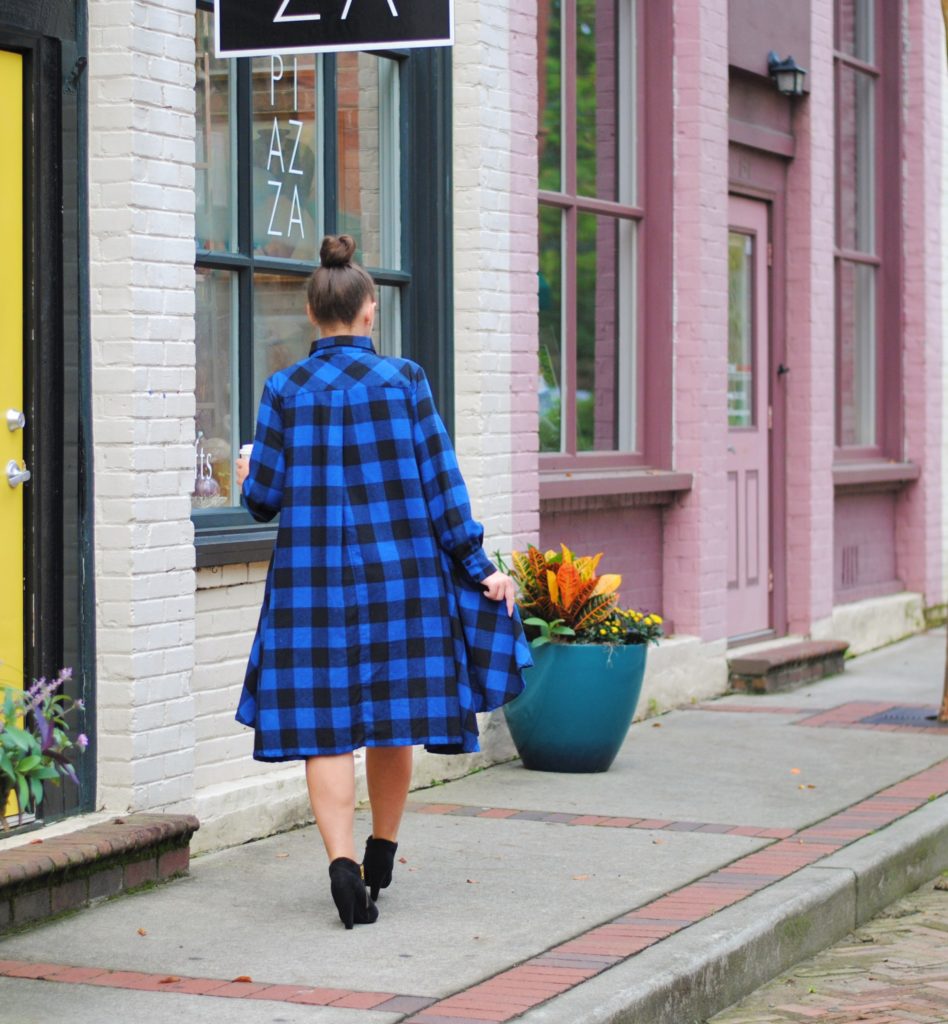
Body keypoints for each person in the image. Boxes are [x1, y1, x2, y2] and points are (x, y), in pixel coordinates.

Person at [234, 234, 530, 929]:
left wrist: (249, 475)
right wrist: (479, 566)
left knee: (324, 728)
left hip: (312, 586)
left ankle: (341, 864)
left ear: (313, 315)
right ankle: (382, 850)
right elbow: (441, 485)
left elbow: (264, 499)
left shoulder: (283, 390)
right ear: (371, 312)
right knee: (391, 719)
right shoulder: (405, 382)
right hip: (401, 580)